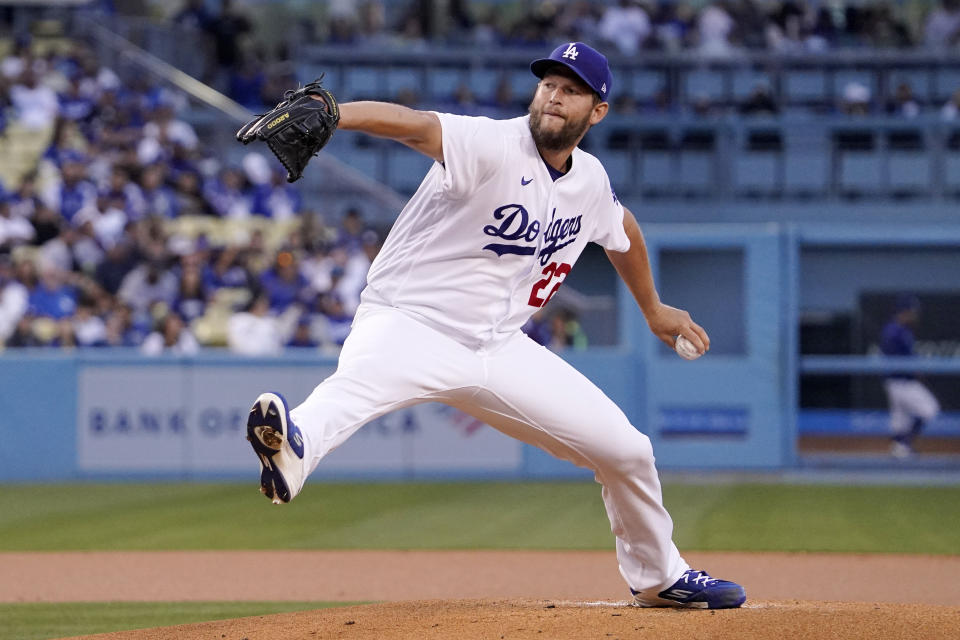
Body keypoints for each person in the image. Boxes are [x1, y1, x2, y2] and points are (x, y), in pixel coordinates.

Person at [244, 42, 745, 609]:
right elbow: (415, 126)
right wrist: (336, 111)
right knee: (351, 391)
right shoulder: (493, 144)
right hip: (411, 322)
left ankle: (659, 578)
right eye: (548, 83)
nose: (554, 94)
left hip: (500, 347)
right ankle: (293, 448)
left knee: (626, 450)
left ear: (597, 111)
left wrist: (653, 307)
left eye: (572, 89)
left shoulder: (590, 180)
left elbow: (620, 226)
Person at [880, 294, 941, 458]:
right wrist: (915, 369)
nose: (914, 315)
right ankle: (903, 445)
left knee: (901, 419)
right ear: (904, 311)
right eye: (912, 311)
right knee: (930, 409)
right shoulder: (894, 330)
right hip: (901, 380)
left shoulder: (901, 330)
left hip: (898, 381)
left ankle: (900, 447)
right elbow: (896, 356)